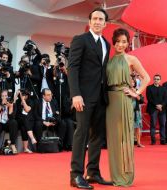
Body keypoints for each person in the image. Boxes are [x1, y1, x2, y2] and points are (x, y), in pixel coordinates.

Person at [68, 8, 111, 189]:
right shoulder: (81, 40)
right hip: (83, 97)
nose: (97, 21)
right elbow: (73, 68)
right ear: (90, 21)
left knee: (97, 137)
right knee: (82, 134)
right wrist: (75, 94)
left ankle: (93, 172)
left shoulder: (106, 44)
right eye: (94, 18)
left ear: (105, 23)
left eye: (101, 19)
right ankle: (76, 175)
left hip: (101, 97)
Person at [106, 28, 150, 186]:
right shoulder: (109, 61)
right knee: (113, 139)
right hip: (110, 102)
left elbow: (146, 77)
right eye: (118, 41)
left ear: (128, 43)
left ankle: (125, 176)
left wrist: (136, 92)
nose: (120, 44)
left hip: (124, 101)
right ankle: (115, 174)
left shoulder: (131, 59)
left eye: (124, 41)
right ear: (114, 42)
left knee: (124, 137)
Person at [146, 74, 167, 145]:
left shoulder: (163, 88)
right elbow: (149, 98)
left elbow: (165, 99)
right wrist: (157, 105)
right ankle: (153, 140)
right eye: (155, 79)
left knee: (163, 125)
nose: (156, 80)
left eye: (158, 79)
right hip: (153, 109)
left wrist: (161, 105)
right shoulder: (149, 88)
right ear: (153, 79)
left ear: (160, 80)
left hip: (162, 109)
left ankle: (163, 140)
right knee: (153, 125)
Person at [131, 76, 145, 147]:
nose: (132, 83)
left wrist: (136, 94)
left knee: (137, 127)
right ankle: (128, 143)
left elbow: (142, 101)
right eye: (130, 81)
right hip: (128, 111)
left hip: (136, 111)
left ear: (135, 83)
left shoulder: (138, 90)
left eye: (133, 82)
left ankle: (138, 142)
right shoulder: (125, 90)